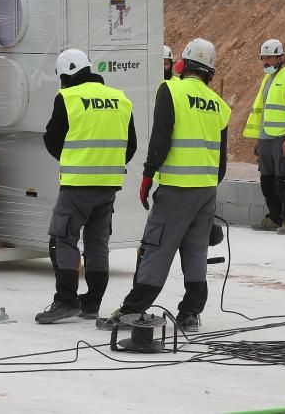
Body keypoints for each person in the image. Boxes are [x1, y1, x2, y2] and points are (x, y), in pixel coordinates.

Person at [98, 38, 229, 333]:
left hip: (175, 189)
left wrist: (148, 176)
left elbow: (161, 138)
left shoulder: (171, 90)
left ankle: (133, 310)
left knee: (155, 248)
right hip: (206, 191)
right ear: (209, 72)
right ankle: (191, 313)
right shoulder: (219, 105)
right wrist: (205, 185)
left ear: (183, 65)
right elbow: (221, 160)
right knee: (195, 251)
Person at [35, 48, 137, 324]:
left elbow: (52, 138)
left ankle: (66, 300)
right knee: (97, 243)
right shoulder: (120, 98)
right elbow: (132, 145)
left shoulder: (68, 98)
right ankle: (92, 303)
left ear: (66, 74)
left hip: (77, 184)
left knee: (62, 238)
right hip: (109, 185)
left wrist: (74, 159)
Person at [244, 39, 285, 235]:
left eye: (270, 57)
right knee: (267, 180)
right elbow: (263, 111)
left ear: (280, 58)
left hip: (281, 138)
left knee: (284, 179)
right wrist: (259, 140)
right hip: (267, 139)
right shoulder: (267, 79)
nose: (266, 62)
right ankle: (274, 216)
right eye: (263, 58)